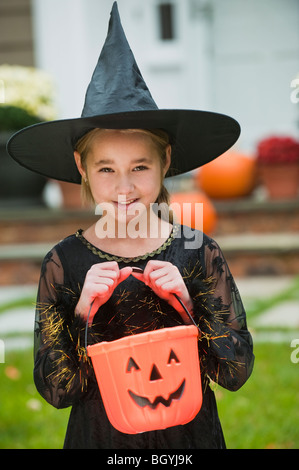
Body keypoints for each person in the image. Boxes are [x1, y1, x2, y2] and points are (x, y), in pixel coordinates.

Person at [7, 2, 254, 449]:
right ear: (81, 167)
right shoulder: (64, 263)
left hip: (189, 440)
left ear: (165, 163)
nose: (124, 187)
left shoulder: (198, 251)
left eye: (140, 166)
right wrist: (82, 312)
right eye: (106, 169)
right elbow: (58, 391)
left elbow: (235, 373)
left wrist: (189, 303)